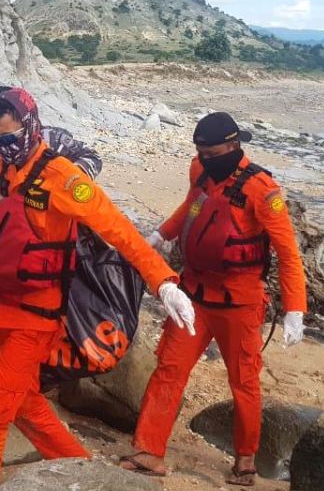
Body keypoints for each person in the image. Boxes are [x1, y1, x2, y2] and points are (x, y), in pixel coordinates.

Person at [0, 87, 197, 491]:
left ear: (32, 124)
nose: (4, 147)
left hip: (36, 317)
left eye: (10, 137)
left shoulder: (64, 179)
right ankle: (83, 470)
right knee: (24, 403)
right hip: (1, 304)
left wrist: (163, 282)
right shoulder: (2, 165)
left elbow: (119, 231)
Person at [122, 112, 309, 486]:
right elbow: (190, 206)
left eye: (211, 151)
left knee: (244, 381)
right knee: (169, 369)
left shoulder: (262, 190)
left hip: (240, 303)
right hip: (193, 295)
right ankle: (148, 451)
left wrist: (295, 311)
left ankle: (245, 461)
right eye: (199, 151)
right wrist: (160, 237)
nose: (204, 158)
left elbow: (288, 252)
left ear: (234, 146)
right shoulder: (200, 171)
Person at [0, 85, 103, 209]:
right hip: (9, 219)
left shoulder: (53, 138)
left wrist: (67, 181)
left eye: (8, 137)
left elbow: (92, 157)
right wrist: (16, 194)